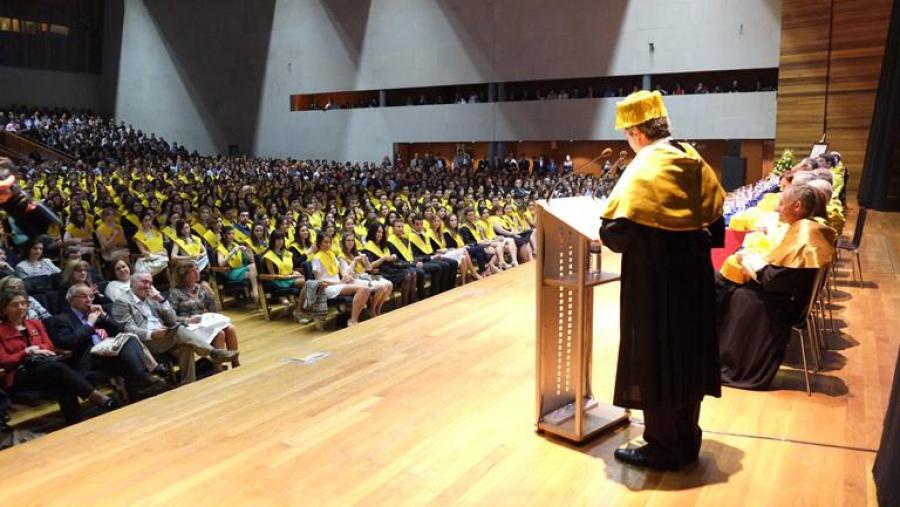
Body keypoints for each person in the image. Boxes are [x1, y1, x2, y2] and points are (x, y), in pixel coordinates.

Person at [598, 90, 725, 470]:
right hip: (695, 279)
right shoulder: (691, 157)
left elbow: (616, 234)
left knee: (657, 356)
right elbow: (716, 224)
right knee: (687, 356)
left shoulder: (645, 166)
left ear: (636, 132)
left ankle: (662, 445)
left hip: (655, 283)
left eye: (626, 133)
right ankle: (686, 440)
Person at [717, 184, 835, 390]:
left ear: (797, 206)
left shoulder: (804, 234)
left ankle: (730, 364)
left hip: (782, 303)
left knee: (728, 290)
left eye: (781, 204)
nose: (777, 209)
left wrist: (749, 263)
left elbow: (773, 279)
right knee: (722, 283)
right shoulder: (809, 227)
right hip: (787, 295)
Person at [0, 289, 119, 425]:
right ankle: (97, 397)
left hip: (43, 366)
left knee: (62, 380)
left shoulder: (34, 324)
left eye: (23, 303)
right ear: (4, 309)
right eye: (15, 305)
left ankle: (75, 423)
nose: (21, 307)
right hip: (17, 374)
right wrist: (25, 352)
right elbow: (4, 361)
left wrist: (37, 350)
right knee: (58, 370)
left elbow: (49, 346)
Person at [110, 272, 237, 384]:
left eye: (150, 283)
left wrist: (160, 299)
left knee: (185, 346)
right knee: (178, 329)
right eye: (144, 282)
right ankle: (214, 353)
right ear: (133, 283)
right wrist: (151, 334)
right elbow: (128, 328)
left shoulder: (152, 298)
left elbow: (172, 319)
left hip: (164, 336)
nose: (148, 286)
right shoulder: (122, 302)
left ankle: (189, 383)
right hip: (144, 343)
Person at [46, 283, 165, 401]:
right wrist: (89, 324)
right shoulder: (61, 319)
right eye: (83, 296)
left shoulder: (96, 313)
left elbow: (120, 331)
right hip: (89, 358)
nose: (89, 300)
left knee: (130, 339)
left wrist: (105, 316)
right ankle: (145, 378)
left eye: (90, 296)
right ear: (70, 300)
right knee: (128, 355)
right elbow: (69, 343)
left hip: (109, 353)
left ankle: (137, 394)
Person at [169, 262, 240, 371]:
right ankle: (218, 368)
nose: (197, 272)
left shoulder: (202, 288)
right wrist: (188, 320)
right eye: (193, 271)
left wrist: (211, 295)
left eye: (197, 269)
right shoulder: (175, 293)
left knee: (230, 328)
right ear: (184, 275)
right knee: (219, 333)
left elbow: (213, 310)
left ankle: (235, 363)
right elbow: (171, 317)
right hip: (190, 327)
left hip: (205, 323)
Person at [311, 235, 370, 326]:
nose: (328, 244)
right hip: (328, 288)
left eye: (329, 242)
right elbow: (319, 281)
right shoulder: (316, 258)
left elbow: (341, 270)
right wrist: (338, 282)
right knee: (363, 289)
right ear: (319, 244)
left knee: (366, 289)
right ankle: (353, 320)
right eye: (325, 242)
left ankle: (354, 317)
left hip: (339, 284)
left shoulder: (331, 254)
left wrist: (346, 276)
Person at [337, 232, 393, 317]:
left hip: (364, 276)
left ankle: (378, 308)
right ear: (343, 242)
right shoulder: (341, 256)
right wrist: (355, 261)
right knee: (381, 287)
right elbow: (346, 273)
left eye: (352, 240)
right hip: (353, 279)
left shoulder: (357, 253)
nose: (350, 242)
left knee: (389, 284)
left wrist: (365, 260)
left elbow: (369, 268)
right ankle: (372, 309)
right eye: (348, 240)